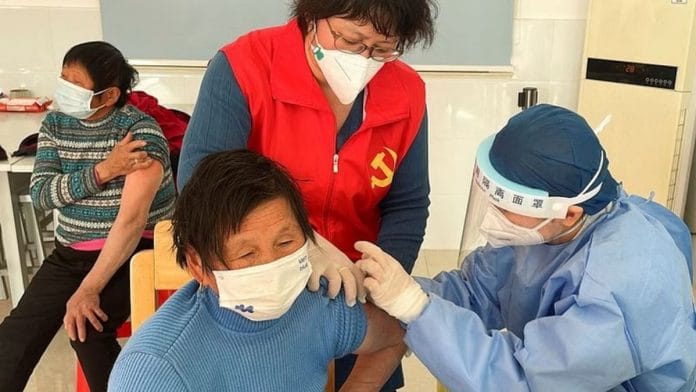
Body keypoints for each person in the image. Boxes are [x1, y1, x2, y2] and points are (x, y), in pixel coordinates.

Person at [177, 1, 437, 389]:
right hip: (263, 279)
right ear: (313, 16)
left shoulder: (406, 92)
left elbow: (407, 202)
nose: (364, 58)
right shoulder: (245, 66)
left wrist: (380, 279)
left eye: (382, 49)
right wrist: (306, 247)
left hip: (355, 288)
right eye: (351, 40)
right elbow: (203, 182)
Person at [356, 104, 696, 391]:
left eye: (505, 208)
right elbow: (476, 290)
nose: (493, 218)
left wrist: (417, 310)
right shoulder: (545, 232)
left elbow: (523, 380)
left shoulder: (623, 287)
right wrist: (399, 291)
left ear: (568, 213)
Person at [108, 149, 406, 391]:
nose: (272, 265)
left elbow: (396, 335)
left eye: (286, 241)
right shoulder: (154, 371)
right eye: (247, 253)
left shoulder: (317, 303)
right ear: (198, 265)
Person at [0, 41, 176, 392]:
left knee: (88, 330)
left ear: (108, 95)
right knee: (13, 338)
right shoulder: (55, 124)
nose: (64, 89)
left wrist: (89, 289)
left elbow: (131, 222)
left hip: (132, 253)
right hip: (70, 253)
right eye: (63, 78)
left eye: (75, 83)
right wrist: (105, 170)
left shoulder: (140, 134)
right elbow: (41, 195)